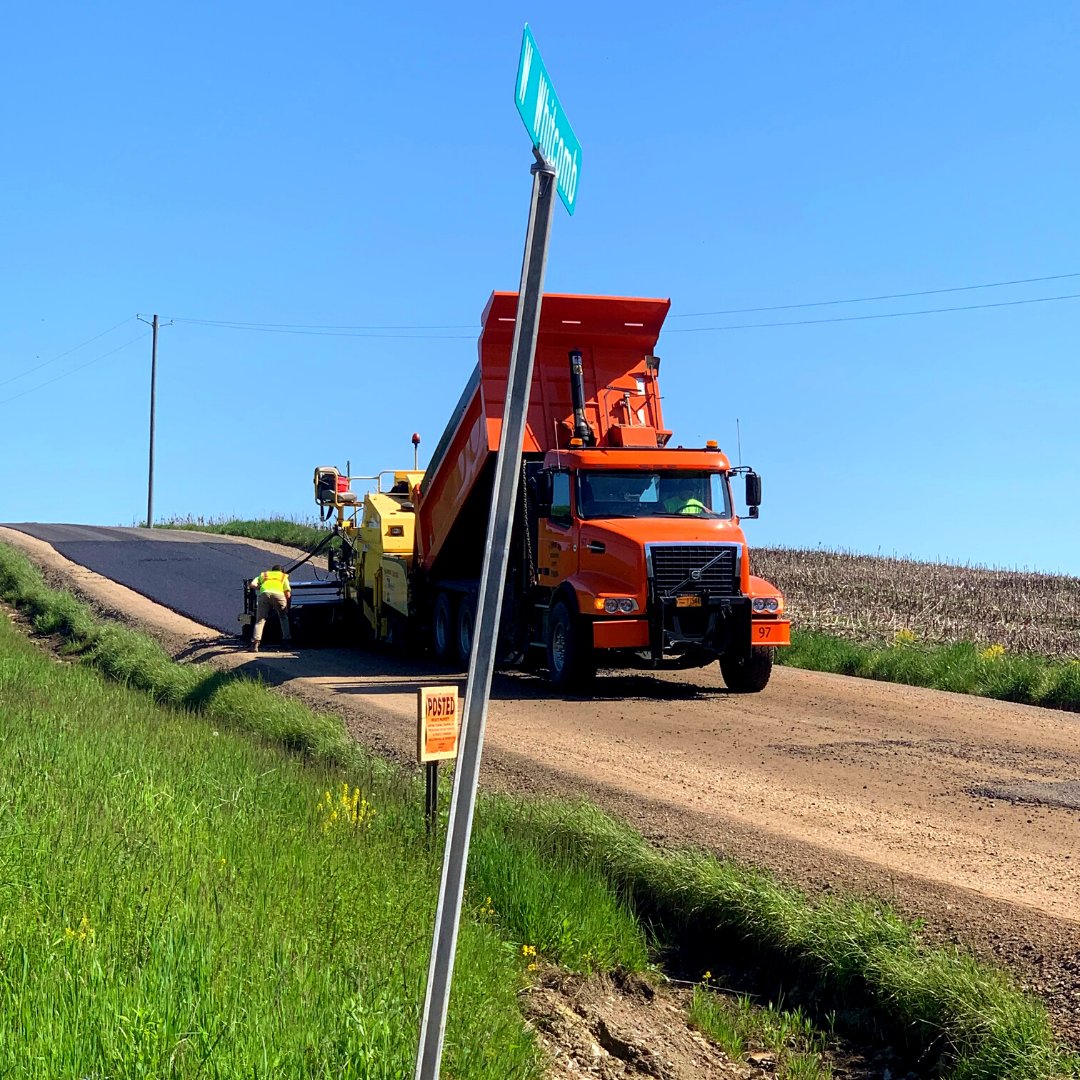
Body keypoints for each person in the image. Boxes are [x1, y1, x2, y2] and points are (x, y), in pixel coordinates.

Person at [250, 564, 291, 652]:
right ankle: (286, 641)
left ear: (272, 571)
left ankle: (255, 643)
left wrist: (261, 588)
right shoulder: (283, 576)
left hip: (264, 594)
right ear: (282, 571)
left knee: (260, 620)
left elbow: (252, 584)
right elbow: (287, 594)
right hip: (278, 595)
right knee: (283, 617)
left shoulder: (264, 575)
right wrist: (286, 606)